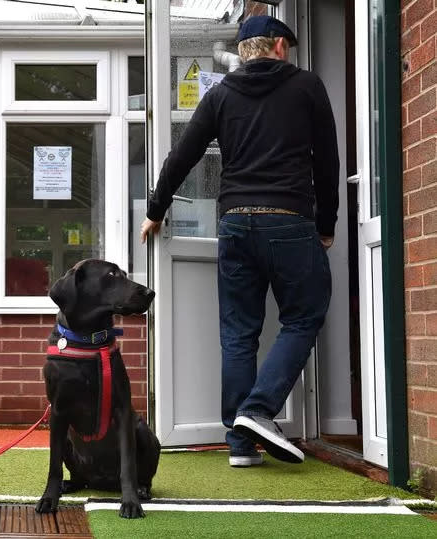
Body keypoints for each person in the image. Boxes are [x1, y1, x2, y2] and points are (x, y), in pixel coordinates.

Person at [140, 15, 338, 467]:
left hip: (234, 223)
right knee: (304, 316)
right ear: (280, 48)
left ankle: (240, 444)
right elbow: (327, 161)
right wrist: (326, 223)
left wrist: (155, 210)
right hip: (288, 219)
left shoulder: (221, 94)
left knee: (238, 333)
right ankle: (257, 409)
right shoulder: (307, 87)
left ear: (244, 51)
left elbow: (182, 154)